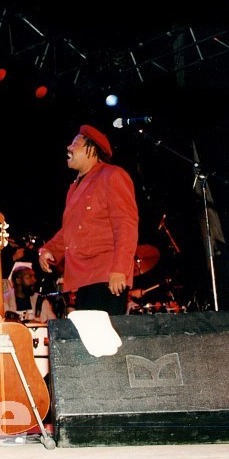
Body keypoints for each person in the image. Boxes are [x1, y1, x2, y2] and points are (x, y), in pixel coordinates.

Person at [38, 124, 139, 315]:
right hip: (83, 278)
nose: (69, 147)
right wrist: (49, 250)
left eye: (75, 143)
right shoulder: (74, 187)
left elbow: (125, 225)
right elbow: (70, 230)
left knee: (102, 333)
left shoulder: (112, 175)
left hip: (106, 276)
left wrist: (120, 269)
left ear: (92, 150)